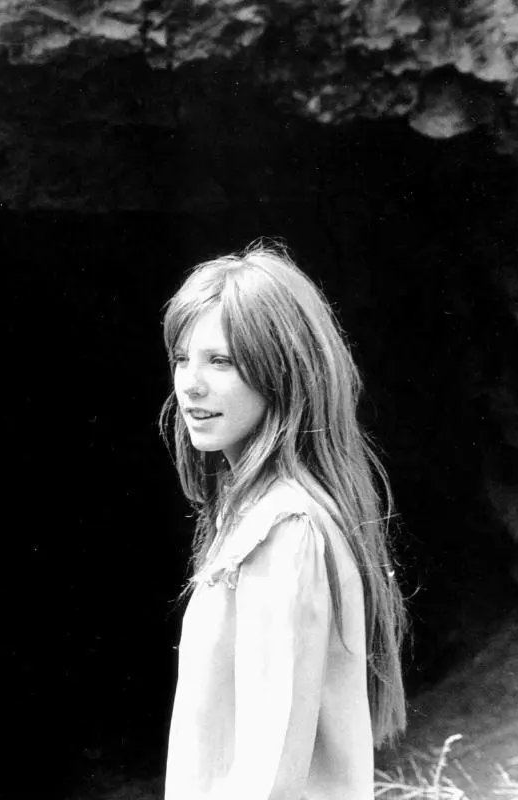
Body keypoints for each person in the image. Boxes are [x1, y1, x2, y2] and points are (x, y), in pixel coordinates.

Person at [159, 241, 408, 798]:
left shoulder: (284, 531)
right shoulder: (257, 517)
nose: (190, 384)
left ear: (282, 372)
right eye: (182, 357)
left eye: (220, 361)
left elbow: (268, 777)